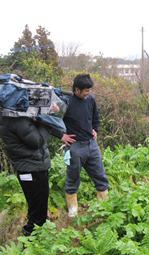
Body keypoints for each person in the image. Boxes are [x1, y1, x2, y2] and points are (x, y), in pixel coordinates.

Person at [60, 74, 109, 217]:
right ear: (77, 90)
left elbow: (95, 118)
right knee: (73, 178)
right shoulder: (66, 102)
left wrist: (95, 129)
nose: (88, 93)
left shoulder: (91, 100)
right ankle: (73, 211)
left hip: (91, 145)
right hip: (74, 148)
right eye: (85, 91)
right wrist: (61, 135)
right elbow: (53, 121)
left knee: (100, 176)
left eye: (89, 90)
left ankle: (104, 208)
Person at [0, 116, 54, 236]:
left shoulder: (12, 118)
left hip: (31, 167)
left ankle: (35, 235)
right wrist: (47, 120)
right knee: (38, 211)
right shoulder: (17, 120)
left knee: (36, 206)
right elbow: (37, 141)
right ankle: (32, 240)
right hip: (32, 168)